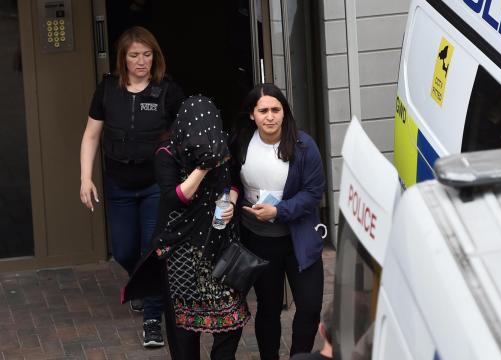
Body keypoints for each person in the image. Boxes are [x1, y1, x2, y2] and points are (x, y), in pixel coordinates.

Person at [79, 26, 184, 347]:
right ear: (122, 59)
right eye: (135, 55)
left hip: (156, 184)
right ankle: (143, 283)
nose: (142, 61)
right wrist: (85, 177)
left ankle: (153, 319)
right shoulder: (108, 90)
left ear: (156, 57)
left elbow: (186, 135)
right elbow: (91, 135)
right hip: (119, 184)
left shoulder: (167, 91)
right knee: (125, 250)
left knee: (150, 250)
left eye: (147, 55)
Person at [127, 95, 250, 359]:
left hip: (219, 243)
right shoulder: (167, 154)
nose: (204, 140)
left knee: (231, 319)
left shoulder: (222, 145)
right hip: (181, 251)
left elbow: (233, 181)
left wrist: (232, 200)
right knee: (183, 329)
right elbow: (175, 198)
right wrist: (203, 167)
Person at [230, 83, 326, 360]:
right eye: (263, 111)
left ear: (285, 113)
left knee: (309, 307)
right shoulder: (240, 142)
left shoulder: (304, 146)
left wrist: (279, 211)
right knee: (268, 307)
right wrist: (234, 199)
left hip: (300, 239)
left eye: (276, 109)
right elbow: (231, 181)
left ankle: (299, 356)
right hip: (258, 240)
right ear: (252, 114)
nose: (270, 116)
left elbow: (313, 193)